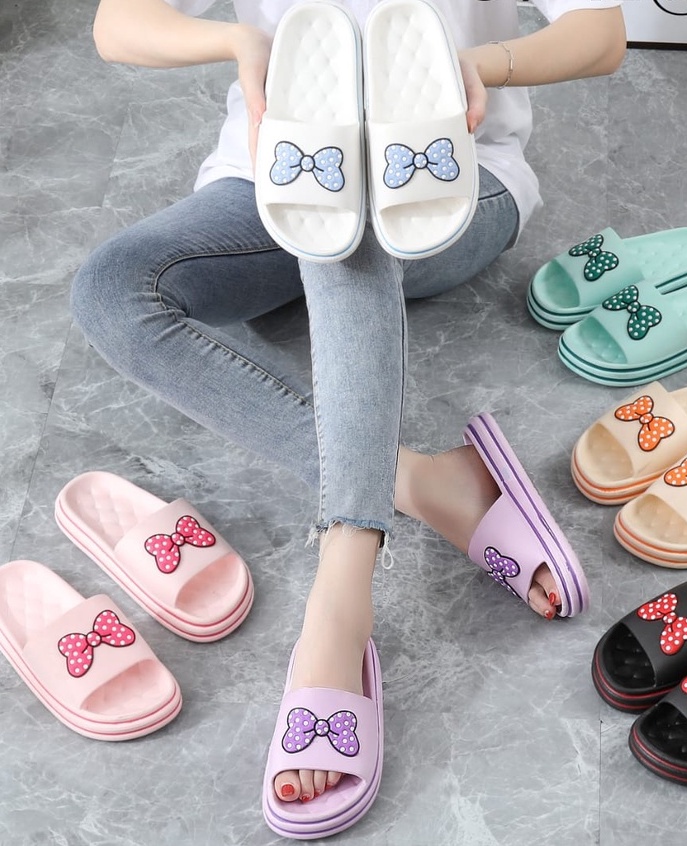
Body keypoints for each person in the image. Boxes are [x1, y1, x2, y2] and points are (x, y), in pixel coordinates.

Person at [75, 0, 626, 809]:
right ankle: (420, 481)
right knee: (111, 289)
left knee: (346, 214)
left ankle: (340, 597)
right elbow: (117, 23)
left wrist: (480, 67)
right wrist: (240, 41)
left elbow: (601, 33)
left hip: (452, 181)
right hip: (274, 177)